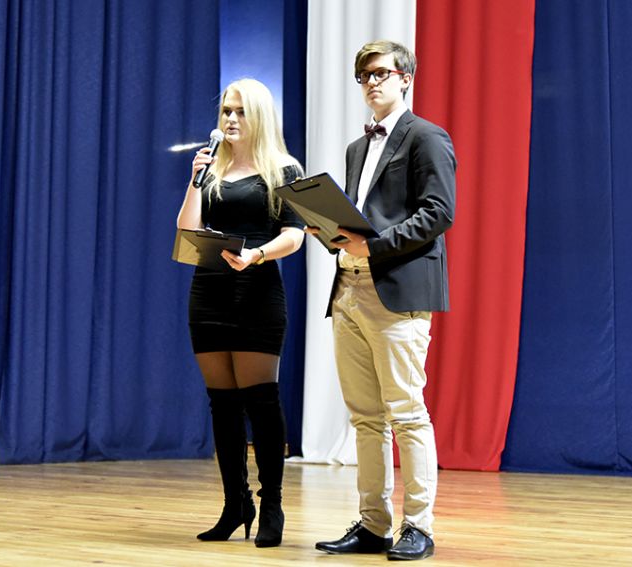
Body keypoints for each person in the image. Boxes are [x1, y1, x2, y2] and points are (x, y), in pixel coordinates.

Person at [313, 40, 456, 561]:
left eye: (381, 73)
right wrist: (327, 228)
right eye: (364, 76)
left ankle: (418, 526)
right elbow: (360, 220)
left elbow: (439, 212)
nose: (372, 83)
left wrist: (372, 247)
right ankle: (374, 524)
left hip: (396, 290)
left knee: (407, 413)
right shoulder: (357, 148)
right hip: (349, 289)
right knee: (365, 417)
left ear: (405, 78)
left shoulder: (426, 136)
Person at [177, 78, 305, 548]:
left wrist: (258, 254)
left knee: (262, 402)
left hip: (257, 290)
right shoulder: (210, 169)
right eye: (226, 111)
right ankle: (236, 503)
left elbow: (295, 234)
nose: (230, 119)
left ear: (259, 116)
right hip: (209, 291)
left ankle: (271, 505)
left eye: (240, 111)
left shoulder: (284, 169)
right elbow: (187, 229)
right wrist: (195, 180)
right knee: (223, 404)